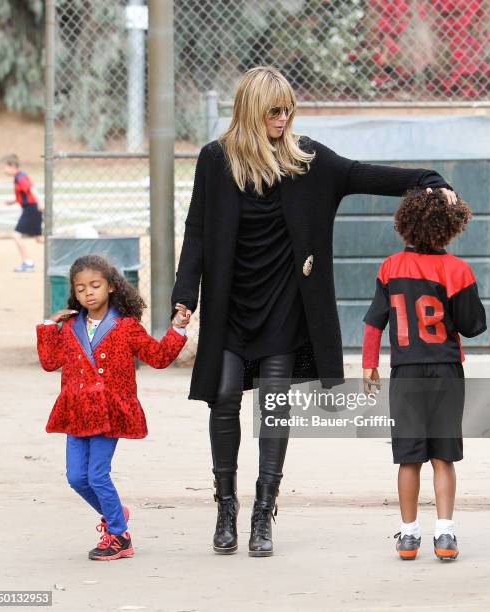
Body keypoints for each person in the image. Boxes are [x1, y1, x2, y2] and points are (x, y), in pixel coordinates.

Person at [171, 65, 458, 557]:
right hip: (230, 306)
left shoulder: (307, 160)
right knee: (223, 400)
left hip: (285, 306)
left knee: (274, 405)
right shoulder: (215, 160)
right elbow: (197, 229)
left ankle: (264, 511)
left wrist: (429, 179)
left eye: (287, 109)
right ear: (249, 113)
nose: (282, 118)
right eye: (273, 111)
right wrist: (185, 294)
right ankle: (225, 507)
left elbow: (363, 175)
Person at [37, 255, 189, 561]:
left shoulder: (126, 326)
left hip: (109, 413)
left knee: (97, 475)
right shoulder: (67, 326)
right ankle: (115, 511)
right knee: (76, 478)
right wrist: (48, 325)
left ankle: (119, 535)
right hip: (76, 412)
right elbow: (49, 362)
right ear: (74, 292)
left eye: (95, 285)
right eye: (80, 289)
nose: (88, 293)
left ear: (111, 287)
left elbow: (158, 358)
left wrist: (177, 329)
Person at [362, 189, 486, 561]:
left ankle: (409, 537)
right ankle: (445, 536)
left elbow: (373, 322)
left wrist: (370, 364)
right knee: (443, 456)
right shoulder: (458, 270)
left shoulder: (389, 267)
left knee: (409, 457)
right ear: (450, 227)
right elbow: (473, 326)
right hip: (446, 370)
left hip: (406, 373)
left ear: (406, 224)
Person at [1, 154, 44, 272]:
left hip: (31, 209)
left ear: (13, 166)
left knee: (16, 235)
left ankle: (28, 263)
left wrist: (40, 202)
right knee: (39, 238)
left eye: (6, 167)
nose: (4, 170)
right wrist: (13, 201)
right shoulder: (17, 178)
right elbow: (24, 194)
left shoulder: (20, 177)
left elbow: (31, 189)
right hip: (30, 208)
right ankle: (61, 248)